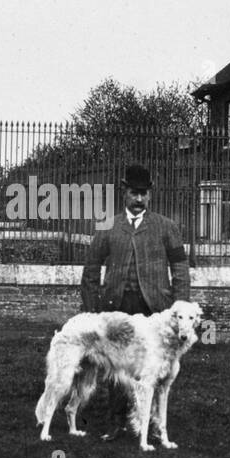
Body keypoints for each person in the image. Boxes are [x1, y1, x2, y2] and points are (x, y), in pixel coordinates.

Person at [79, 163, 192, 436]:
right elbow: (91, 268)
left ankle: (154, 426)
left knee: (156, 369)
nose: (139, 199)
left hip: (154, 309)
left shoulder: (167, 227)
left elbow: (180, 269)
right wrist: (93, 310)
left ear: (150, 195)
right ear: (124, 193)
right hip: (116, 307)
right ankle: (117, 423)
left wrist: (179, 307)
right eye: (133, 193)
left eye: (144, 194)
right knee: (117, 366)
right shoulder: (108, 226)